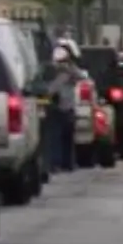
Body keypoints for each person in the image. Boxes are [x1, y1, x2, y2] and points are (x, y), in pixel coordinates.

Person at [43, 44, 82, 172]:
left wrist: (69, 68)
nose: (61, 64)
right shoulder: (50, 72)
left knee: (68, 137)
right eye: (60, 62)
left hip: (68, 107)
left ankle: (68, 163)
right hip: (55, 108)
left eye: (64, 61)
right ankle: (55, 163)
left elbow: (80, 76)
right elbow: (48, 89)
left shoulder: (71, 73)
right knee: (55, 138)